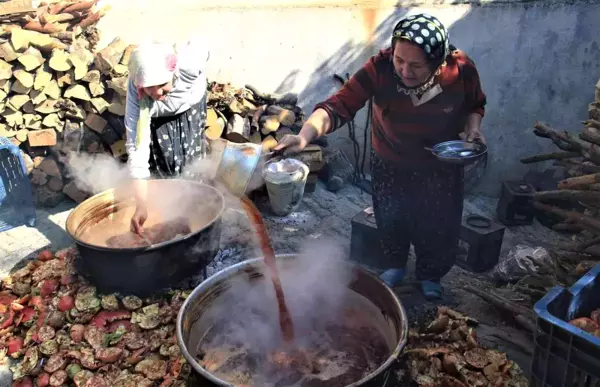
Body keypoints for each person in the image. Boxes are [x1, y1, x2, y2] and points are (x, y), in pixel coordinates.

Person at [274, 13, 487, 299]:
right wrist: (304, 136)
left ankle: (430, 275)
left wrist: (473, 129)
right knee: (391, 218)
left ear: (437, 62)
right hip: (390, 161)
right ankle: (395, 265)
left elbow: (476, 103)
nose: (405, 70)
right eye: (399, 60)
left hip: (441, 168)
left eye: (416, 65)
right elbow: (338, 106)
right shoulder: (380, 69)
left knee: (439, 225)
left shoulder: (460, 70)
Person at [124, 40, 210, 235]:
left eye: (162, 84)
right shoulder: (135, 90)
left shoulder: (189, 63)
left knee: (191, 163)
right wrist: (141, 205)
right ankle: (168, 214)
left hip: (189, 108)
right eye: (149, 87)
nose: (157, 92)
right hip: (156, 116)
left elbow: (203, 47)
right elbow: (137, 148)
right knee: (163, 165)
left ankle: (196, 214)